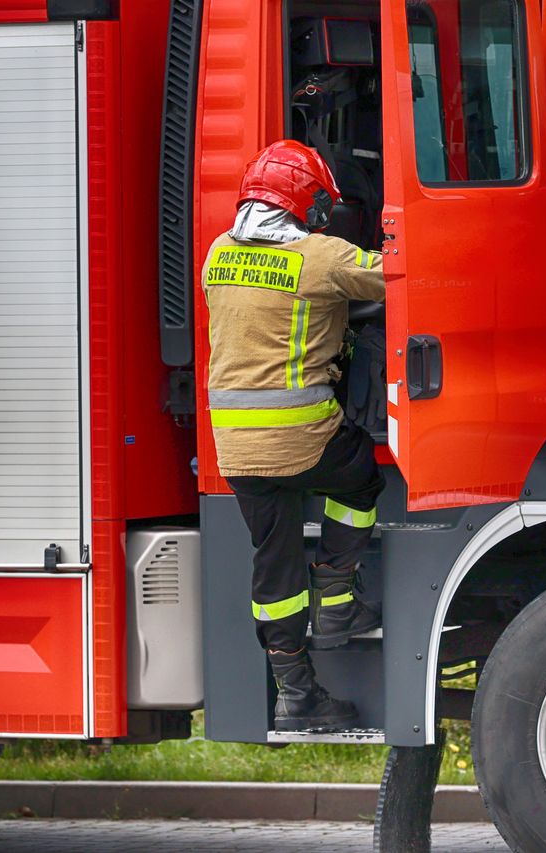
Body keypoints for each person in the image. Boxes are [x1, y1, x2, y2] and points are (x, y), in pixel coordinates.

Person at [202, 139, 386, 732]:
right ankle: (336, 603)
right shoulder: (323, 257)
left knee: (273, 560)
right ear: (306, 206)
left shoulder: (216, 255)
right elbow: (402, 279)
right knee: (360, 478)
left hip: (235, 447)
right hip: (304, 438)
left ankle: (297, 695)